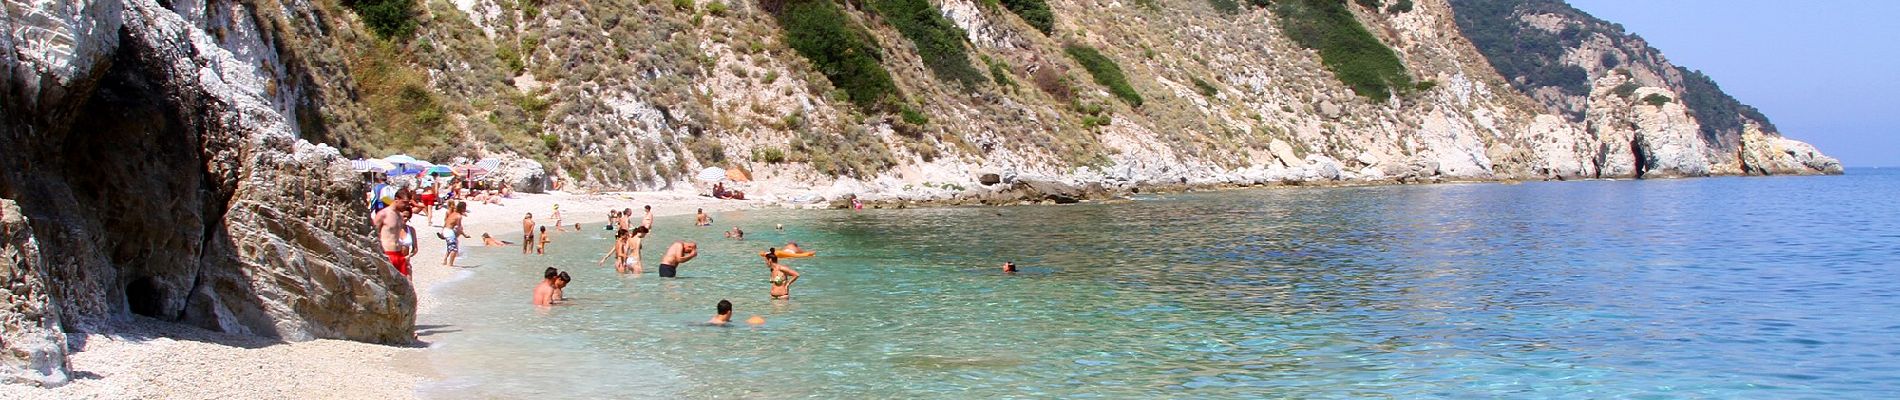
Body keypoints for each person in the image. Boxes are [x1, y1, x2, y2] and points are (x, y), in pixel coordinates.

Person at [373, 188, 415, 277]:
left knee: (405, 286)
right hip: (387, 254)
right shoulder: (383, 214)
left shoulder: (400, 216)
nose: (406, 205)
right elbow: (373, 235)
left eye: (408, 203)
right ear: (396, 199)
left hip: (399, 254)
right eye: (404, 202)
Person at [442, 201, 471, 268]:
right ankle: (450, 264)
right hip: (449, 232)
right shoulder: (458, 216)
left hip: (445, 230)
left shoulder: (453, 213)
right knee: (454, 249)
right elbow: (459, 228)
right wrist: (464, 235)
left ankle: (445, 260)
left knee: (450, 247)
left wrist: (442, 232)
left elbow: (446, 222)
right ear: (463, 208)